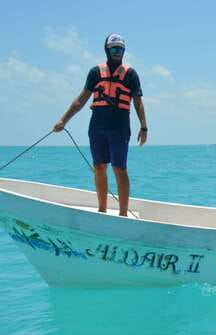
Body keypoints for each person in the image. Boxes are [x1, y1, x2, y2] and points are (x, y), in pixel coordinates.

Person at [53, 34, 147, 217]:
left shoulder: (131, 74)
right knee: (99, 167)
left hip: (119, 127)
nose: (117, 53)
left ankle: (123, 214)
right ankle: (102, 210)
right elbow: (81, 99)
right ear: (107, 50)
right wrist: (63, 120)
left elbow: (138, 102)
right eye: (114, 49)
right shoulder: (95, 72)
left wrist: (144, 127)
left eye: (120, 49)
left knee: (119, 168)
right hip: (97, 126)